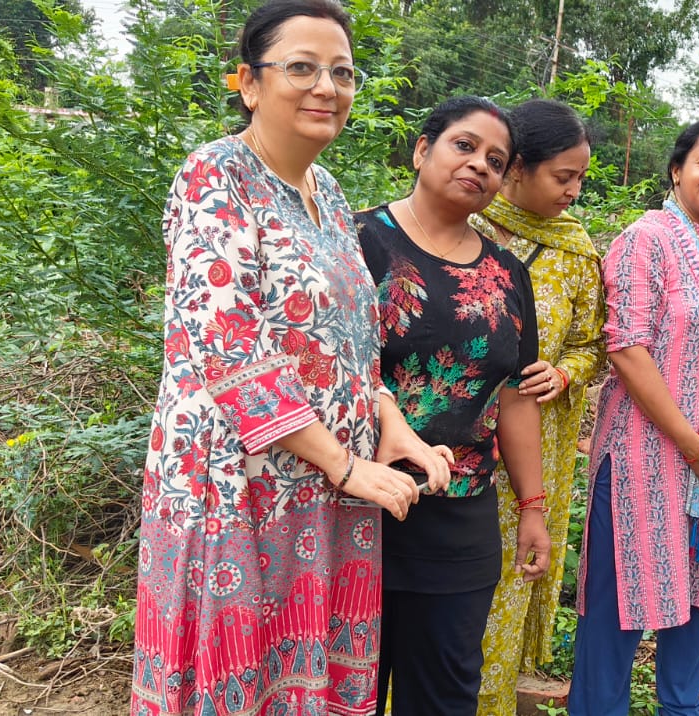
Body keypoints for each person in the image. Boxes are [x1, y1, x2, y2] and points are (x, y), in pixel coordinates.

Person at [131, 1, 452, 713]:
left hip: (325, 487)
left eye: (341, 72)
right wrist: (345, 465)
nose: (326, 87)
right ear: (248, 83)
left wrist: (389, 426)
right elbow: (227, 349)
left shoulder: (331, 196)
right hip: (236, 485)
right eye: (300, 67)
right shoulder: (215, 176)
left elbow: (351, 343)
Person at [569, 117, 699, 716]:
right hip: (647, 456)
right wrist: (694, 446)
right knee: (619, 605)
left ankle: (681, 709)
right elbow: (627, 347)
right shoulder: (645, 239)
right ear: (677, 169)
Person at [354, 96, 550, 714]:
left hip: (460, 516)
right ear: (422, 149)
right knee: (345, 688)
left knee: (445, 694)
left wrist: (533, 508)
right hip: (352, 505)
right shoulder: (358, 242)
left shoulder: (508, 273)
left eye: (496, 160)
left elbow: (514, 396)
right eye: (464, 146)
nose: (479, 165)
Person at [470, 99, 605, 716]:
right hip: (454, 439)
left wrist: (566, 370)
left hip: (536, 444)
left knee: (507, 581)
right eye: (563, 176)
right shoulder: (462, 223)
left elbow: (590, 343)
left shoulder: (578, 253)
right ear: (517, 167)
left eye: (581, 178)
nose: (575, 192)